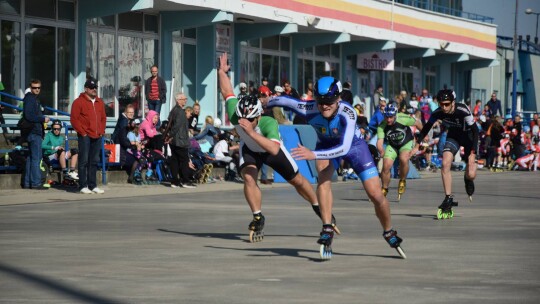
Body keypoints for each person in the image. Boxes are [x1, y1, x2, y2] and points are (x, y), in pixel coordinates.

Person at [267, 76, 406, 259]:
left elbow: (344, 148)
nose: (324, 106)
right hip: (326, 144)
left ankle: (388, 231)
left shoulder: (347, 113)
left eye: (329, 101)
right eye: (320, 101)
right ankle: (326, 226)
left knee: (376, 195)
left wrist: (313, 154)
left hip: (353, 147)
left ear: (338, 99)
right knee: (323, 179)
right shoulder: (309, 108)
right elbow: (284, 100)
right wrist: (265, 102)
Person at [217, 52, 338, 244]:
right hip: (249, 149)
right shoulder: (236, 113)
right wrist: (221, 71)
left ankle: (317, 206)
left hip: (270, 149)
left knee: (298, 181)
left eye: (249, 120)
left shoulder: (267, 123)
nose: (244, 122)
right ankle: (258, 217)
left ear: (258, 116)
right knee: (248, 177)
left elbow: (273, 150)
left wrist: (251, 132)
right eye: (241, 119)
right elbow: (227, 92)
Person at [412, 89, 479, 219]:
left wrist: (473, 153)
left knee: (471, 173)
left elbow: (475, 130)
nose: (444, 107)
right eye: (441, 104)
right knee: (445, 164)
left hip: (469, 137)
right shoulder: (438, 112)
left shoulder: (463, 109)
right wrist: (416, 145)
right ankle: (448, 198)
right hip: (454, 136)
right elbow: (426, 128)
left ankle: (467, 179)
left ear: (453, 102)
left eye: (447, 104)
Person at [376, 103, 423, 201]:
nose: (388, 120)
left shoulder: (403, 118)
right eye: (386, 117)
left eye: (391, 117)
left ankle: (402, 180)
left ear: (395, 115)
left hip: (406, 142)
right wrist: (381, 150)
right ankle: (384, 188)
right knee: (386, 165)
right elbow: (379, 142)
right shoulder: (382, 126)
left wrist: (424, 136)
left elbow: (417, 123)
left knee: (403, 158)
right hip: (392, 145)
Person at [70, 78, 107, 194]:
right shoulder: (78, 102)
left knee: (94, 161)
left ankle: (93, 185)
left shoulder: (99, 102)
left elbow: (103, 118)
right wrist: (83, 133)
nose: (94, 89)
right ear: (86, 89)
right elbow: (74, 119)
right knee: (83, 161)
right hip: (85, 135)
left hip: (97, 135)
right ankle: (82, 185)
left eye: (95, 87)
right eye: (91, 88)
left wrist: (101, 131)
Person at [164, 93, 197, 188]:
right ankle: (185, 181)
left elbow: (170, 123)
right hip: (180, 141)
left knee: (175, 160)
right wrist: (170, 135)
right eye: (183, 99)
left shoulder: (173, 110)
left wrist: (169, 136)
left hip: (174, 141)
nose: (185, 100)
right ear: (178, 100)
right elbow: (176, 126)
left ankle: (174, 181)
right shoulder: (180, 112)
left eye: (186, 99)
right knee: (184, 160)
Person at [23, 79, 50, 190]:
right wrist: (42, 118)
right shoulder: (30, 99)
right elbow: (29, 116)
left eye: (38, 87)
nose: (37, 89)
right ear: (30, 87)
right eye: (34, 87)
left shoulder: (33, 99)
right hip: (34, 132)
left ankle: (27, 183)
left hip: (32, 132)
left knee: (31, 158)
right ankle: (35, 183)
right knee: (36, 158)